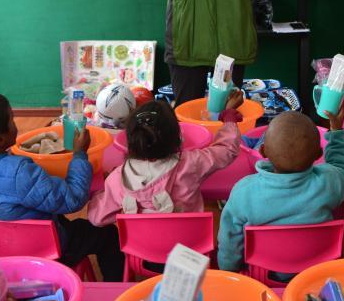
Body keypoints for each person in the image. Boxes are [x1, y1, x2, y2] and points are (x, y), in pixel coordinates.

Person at [0, 92, 124, 281]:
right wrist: (80, 154)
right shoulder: (19, 173)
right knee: (108, 234)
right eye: (11, 120)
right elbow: (73, 199)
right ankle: (114, 289)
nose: (14, 125)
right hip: (42, 248)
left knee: (57, 213)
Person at [216, 107, 344, 276]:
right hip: (316, 274)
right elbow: (341, 167)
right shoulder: (328, 182)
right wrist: (336, 132)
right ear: (319, 154)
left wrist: (230, 271)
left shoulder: (244, 191)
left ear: (262, 151)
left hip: (263, 275)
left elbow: (230, 240)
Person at [88, 90, 244, 222]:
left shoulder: (118, 178)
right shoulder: (190, 163)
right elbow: (227, 150)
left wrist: (105, 188)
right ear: (178, 138)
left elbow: (96, 217)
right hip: (188, 244)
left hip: (143, 246)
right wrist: (229, 116)